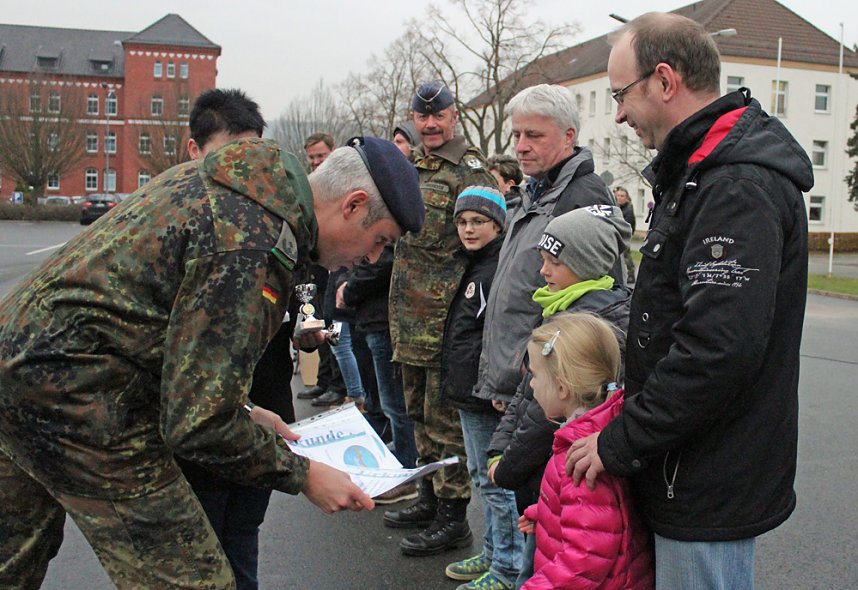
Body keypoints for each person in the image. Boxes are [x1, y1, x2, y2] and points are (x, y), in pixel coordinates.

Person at [0, 132, 425, 588]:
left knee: (14, 557)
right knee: (196, 580)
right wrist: (304, 475)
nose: (370, 258)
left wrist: (245, 408)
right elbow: (197, 423)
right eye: (379, 240)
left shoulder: (243, 188)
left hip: (20, 366)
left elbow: (161, 333)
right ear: (353, 205)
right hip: (79, 395)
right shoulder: (252, 243)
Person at [567, 13, 812, 589]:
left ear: (664, 80)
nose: (619, 114)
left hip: (705, 479)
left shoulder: (734, 187)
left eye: (620, 95)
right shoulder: (701, 173)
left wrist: (622, 440)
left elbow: (716, 350)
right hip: (687, 464)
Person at [486, 205, 633, 588]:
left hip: (557, 473)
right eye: (543, 260)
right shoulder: (560, 308)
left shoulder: (589, 324)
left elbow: (539, 416)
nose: (543, 271)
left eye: (554, 262)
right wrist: (500, 446)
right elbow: (527, 391)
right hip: (548, 492)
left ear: (586, 265)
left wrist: (508, 466)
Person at [182, 87, 292, 590]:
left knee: (243, 534)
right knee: (202, 549)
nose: (243, 170)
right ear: (195, 150)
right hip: (202, 427)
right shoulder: (183, 225)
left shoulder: (272, 220)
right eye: (230, 155)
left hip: (264, 408)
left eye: (254, 154)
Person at [385, 81, 497, 556]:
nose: (430, 125)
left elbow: (486, 247)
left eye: (438, 116)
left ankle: (454, 518)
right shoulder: (411, 167)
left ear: (454, 116)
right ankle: (429, 498)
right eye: (422, 117)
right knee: (417, 417)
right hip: (408, 321)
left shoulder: (470, 172)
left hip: (444, 322)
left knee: (445, 423)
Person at [475, 83, 621, 427]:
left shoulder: (581, 197)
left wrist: (525, 371)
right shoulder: (534, 190)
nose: (520, 146)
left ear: (568, 136)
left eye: (534, 135)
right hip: (517, 382)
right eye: (516, 135)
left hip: (545, 391)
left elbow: (595, 306)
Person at [519, 313, 654, 590]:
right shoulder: (610, 428)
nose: (531, 384)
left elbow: (584, 559)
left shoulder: (578, 458)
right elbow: (593, 518)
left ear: (562, 388)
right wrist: (546, 513)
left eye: (535, 376)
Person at [440, 186, 522, 590]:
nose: (468, 229)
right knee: (479, 474)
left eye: (478, 222)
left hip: (484, 390)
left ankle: (508, 567)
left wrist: (499, 385)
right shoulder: (474, 264)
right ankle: (492, 553)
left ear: (498, 225)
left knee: (494, 480)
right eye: (462, 222)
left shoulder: (495, 270)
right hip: (467, 388)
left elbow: (503, 333)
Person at [613, 186, 637, 283]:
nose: (619, 198)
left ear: (626, 198)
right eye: (618, 195)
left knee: (626, 256)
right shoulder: (615, 207)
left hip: (623, 236)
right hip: (615, 235)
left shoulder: (628, 209)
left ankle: (631, 274)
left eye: (622, 196)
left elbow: (629, 224)